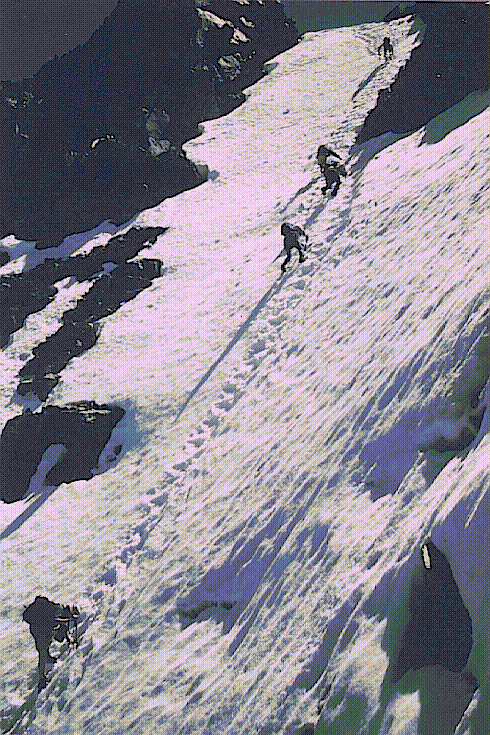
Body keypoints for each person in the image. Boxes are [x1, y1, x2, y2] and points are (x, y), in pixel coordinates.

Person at [23, 596, 80, 691]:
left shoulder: (56, 608)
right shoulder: (55, 611)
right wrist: (69, 620)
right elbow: (57, 620)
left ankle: (48, 657)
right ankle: (42, 678)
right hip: (40, 629)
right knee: (42, 652)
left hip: (37, 628)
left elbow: (59, 622)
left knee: (44, 648)